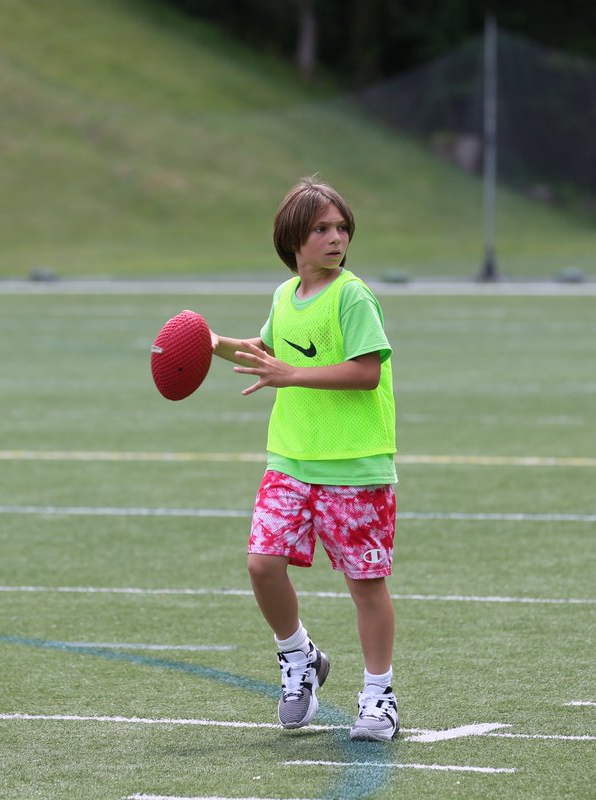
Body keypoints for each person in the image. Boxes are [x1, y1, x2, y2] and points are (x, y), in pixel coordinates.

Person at [209, 176, 399, 742]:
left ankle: (379, 696)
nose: (335, 237)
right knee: (262, 563)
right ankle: (300, 657)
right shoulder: (283, 297)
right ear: (293, 237)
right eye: (322, 228)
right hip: (289, 460)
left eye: (342, 228)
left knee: (366, 586)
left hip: (356, 466)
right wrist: (209, 340)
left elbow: (367, 373)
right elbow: (265, 353)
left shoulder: (353, 295)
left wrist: (293, 375)